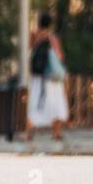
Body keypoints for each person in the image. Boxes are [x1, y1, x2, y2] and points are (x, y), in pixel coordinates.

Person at [27, 12, 70, 141]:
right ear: (50, 24)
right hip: (51, 78)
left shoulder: (33, 37)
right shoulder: (52, 38)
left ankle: (29, 132)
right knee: (56, 104)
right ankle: (56, 133)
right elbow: (59, 56)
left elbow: (29, 52)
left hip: (37, 77)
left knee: (34, 104)